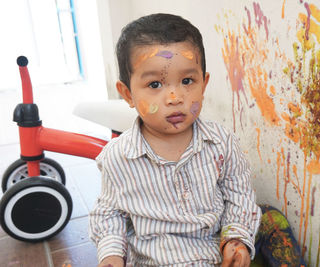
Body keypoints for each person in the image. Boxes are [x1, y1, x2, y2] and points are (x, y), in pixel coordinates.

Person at [89, 13, 305, 267]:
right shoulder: (118, 156)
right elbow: (109, 214)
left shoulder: (221, 144)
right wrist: (111, 255)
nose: (174, 97)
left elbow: (240, 197)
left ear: (203, 84)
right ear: (128, 94)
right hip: (155, 259)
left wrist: (235, 240)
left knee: (270, 217)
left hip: (216, 252)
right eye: (155, 84)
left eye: (187, 81)